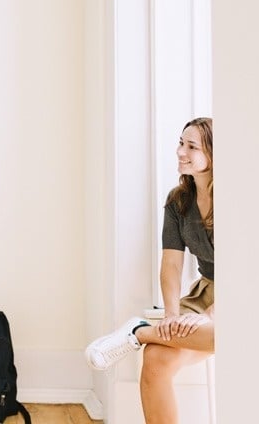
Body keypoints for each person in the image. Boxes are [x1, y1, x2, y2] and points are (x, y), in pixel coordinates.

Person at [84, 117, 214, 424]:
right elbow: (171, 264)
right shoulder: (178, 201)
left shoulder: (236, 201)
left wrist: (211, 316)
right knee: (155, 359)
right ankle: (149, 334)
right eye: (181, 143)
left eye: (192, 146)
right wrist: (171, 317)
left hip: (240, 295)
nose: (181, 151)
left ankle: (138, 332)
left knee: (231, 331)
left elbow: (245, 271)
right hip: (204, 293)